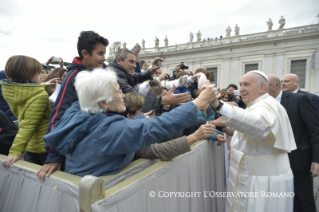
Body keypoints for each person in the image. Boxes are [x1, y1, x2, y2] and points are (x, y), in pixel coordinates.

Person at [43, 68, 219, 177]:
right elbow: (157, 127)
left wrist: (140, 119)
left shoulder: (79, 110)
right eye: (118, 92)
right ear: (103, 103)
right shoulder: (107, 131)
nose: (123, 96)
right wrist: (198, 103)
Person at [208, 70, 296, 212]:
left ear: (261, 88)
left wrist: (219, 106)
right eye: (240, 84)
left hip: (262, 180)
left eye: (246, 84)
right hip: (251, 176)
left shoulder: (266, 106)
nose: (241, 88)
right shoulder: (257, 104)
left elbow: (258, 125)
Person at [37, 30, 109, 180]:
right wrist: (54, 155)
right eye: (100, 54)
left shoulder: (90, 73)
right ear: (85, 53)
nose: (104, 58)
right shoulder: (74, 77)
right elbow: (58, 115)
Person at [268, 74, 319, 212]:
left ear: (272, 87)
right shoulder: (263, 104)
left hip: (299, 160)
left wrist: (316, 160)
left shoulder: (300, 99)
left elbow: (315, 130)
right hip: (274, 160)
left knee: (303, 199)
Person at [124, 93, 216, 161]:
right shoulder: (129, 135)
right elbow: (160, 150)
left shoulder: (143, 126)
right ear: (129, 116)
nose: (148, 113)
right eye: (142, 112)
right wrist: (194, 137)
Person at [1, 55, 55, 167]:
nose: (41, 76)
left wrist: (43, 86)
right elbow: (28, 125)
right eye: (38, 73)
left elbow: (28, 92)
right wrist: (15, 152)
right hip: (44, 146)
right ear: (29, 75)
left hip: (30, 145)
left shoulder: (11, 91)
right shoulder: (40, 96)